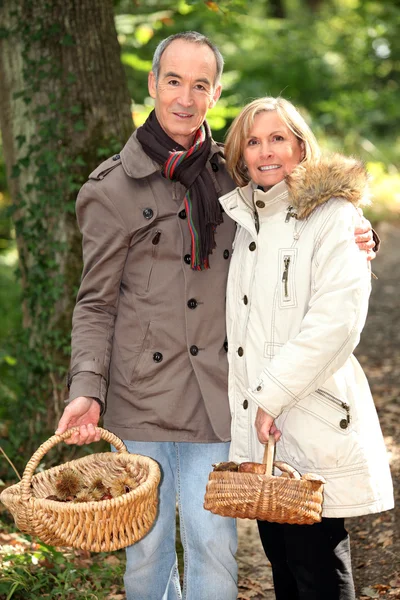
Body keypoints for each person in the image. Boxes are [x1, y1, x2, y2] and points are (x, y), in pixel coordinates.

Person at [55, 32, 376, 600]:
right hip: (140, 398)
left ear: (215, 92)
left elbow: (299, 226)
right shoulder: (109, 190)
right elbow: (96, 301)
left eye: (199, 84)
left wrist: (356, 235)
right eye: (173, 81)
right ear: (153, 84)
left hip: (219, 395)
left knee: (213, 549)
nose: (185, 97)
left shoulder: (237, 178)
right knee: (147, 552)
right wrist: (87, 386)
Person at [220, 96, 394, 600]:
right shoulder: (248, 216)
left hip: (308, 410)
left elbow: (337, 322)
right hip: (265, 421)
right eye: (253, 141)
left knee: (317, 561)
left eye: (278, 138)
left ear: (300, 145)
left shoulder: (334, 215)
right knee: (283, 560)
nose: (265, 151)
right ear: (240, 153)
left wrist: (270, 395)